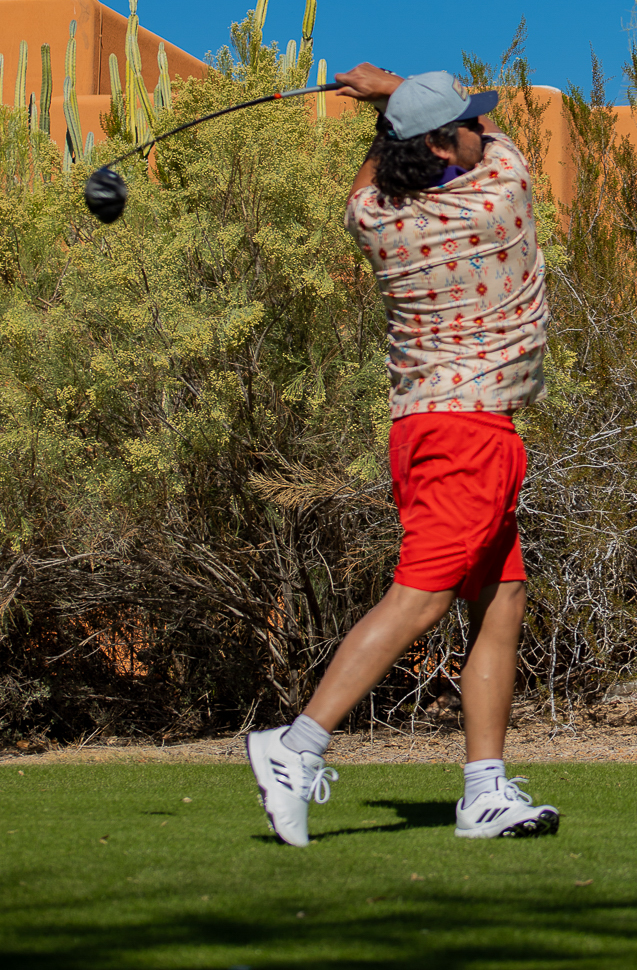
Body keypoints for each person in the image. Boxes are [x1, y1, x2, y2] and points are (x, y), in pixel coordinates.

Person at [246, 64, 559, 846]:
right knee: (420, 598)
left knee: (503, 597)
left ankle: (484, 792)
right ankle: (296, 746)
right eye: (467, 123)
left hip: (426, 431)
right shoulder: (500, 194)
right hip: (467, 434)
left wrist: (390, 118)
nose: (481, 127)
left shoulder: (378, 221)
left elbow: (364, 188)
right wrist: (390, 88)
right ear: (446, 146)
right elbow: (497, 139)